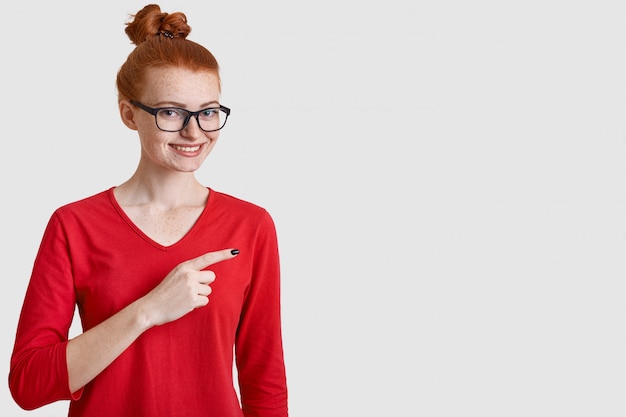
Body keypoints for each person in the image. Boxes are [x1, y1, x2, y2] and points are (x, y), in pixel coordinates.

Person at [8, 4, 288, 416]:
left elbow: (264, 383)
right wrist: (149, 310)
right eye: (171, 112)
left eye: (208, 112)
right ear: (129, 114)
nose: (194, 132)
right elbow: (28, 385)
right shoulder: (74, 226)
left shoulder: (251, 226)